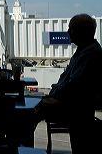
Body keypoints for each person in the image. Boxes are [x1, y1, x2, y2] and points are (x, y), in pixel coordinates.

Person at [35, 14, 102, 153]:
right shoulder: (84, 51)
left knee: (29, 112)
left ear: (82, 32)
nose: (68, 32)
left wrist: (54, 96)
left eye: (71, 29)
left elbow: (73, 87)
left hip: (76, 110)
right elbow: (66, 81)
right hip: (75, 108)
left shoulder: (90, 55)